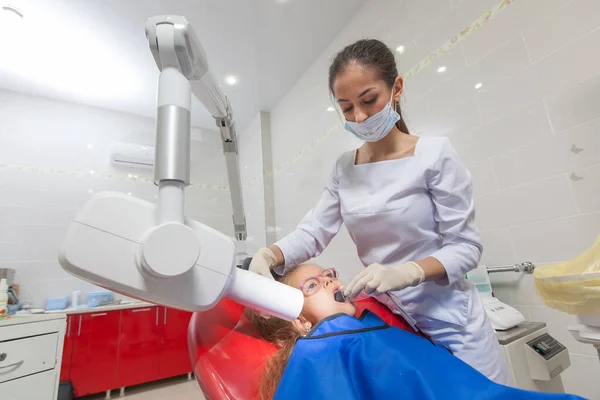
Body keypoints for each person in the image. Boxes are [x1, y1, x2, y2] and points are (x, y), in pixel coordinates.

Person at [249, 38, 513, 385]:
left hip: (452, 321)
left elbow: (466, 249)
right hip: (392, 320)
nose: (358, 116)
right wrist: (268, 255)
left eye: (368, 100)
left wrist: (408, 272)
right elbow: (314, 231)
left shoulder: (434, 155)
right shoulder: (345, 167)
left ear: (396, 88)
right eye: (346, 108)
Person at [246, 264, 584, 400]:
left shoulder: (371, 326)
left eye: (329, 273)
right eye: (313, 285)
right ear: (300, 320)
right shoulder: (317, 352)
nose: (330, 280)